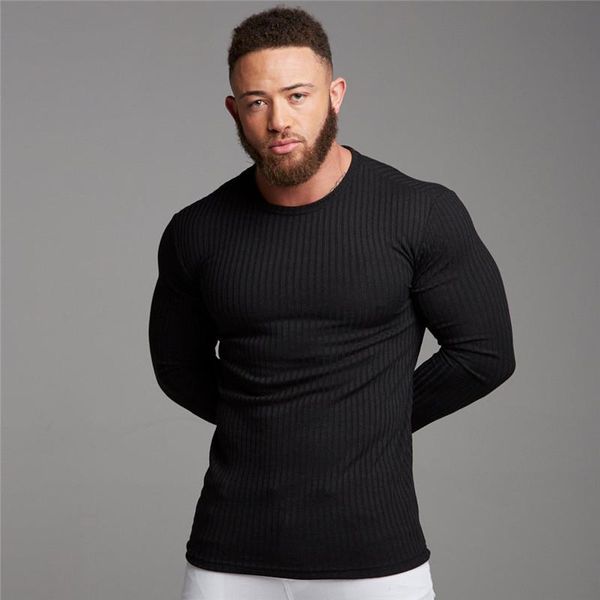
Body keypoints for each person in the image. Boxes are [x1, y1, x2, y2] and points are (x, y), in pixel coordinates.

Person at [148, 5, 516, 600]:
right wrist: (268, 423)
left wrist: (371, 420)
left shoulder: (420, 212)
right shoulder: (197, 230)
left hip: (373, 555)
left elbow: (486, 354)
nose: (279, 121)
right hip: (229, 552)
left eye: (298, 95)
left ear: (335, 95)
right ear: (235, 111)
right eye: (258, 102)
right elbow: (176, 368)